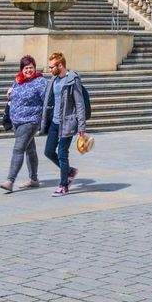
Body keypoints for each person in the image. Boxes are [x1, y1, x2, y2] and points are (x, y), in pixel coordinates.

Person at [40, 51, 89, 197]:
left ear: (60, 65)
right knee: (48, 151)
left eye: (51, 67)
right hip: (55, 122)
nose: (49, 70)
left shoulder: (72, 81)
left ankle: (63, 185)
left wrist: (81, 127)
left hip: (68, 122)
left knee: (62, 153)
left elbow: (80, 104)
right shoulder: (54, 80)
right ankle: (69, 171)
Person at [2, 54, 47, 192]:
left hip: (31, 120)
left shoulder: (40, 81)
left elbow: (47, 100)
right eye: (26, 68)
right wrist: (9, 94)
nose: (29, 70)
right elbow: (13, 96)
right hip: (16, 120)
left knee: (18, 149)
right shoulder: (18, 81)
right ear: (22, 69)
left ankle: (10, 180)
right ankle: (34, 179)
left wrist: (45, 119)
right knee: (30, 149)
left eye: (31, 67)